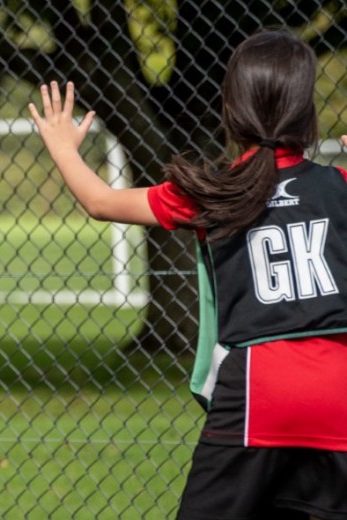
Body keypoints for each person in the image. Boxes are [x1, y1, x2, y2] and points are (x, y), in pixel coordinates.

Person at [28, 30, 347, 520]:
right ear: (307, 114)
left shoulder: (212, 192)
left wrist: (63, 146)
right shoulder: (338, 184)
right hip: (337, 389)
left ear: (230, 109)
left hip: (258, 391)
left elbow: (100, 201)